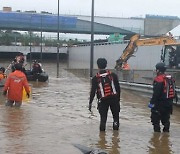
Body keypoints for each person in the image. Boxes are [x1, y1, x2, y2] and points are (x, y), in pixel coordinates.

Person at [89, 58, 121, 131]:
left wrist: (90, 103)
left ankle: (102, 139)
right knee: (116, 118)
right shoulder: (113, 75)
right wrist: (118, 100)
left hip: (103, 101)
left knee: (103, 120)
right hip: (114, 99)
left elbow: (93, 92)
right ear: (106, 65)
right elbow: (118, 89)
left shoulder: (95, 78)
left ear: (98, 66)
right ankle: (115, 139)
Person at [148, 62, 177, 132]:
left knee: (155, 120)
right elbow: (174, 91)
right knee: (166, 120)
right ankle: (166, 136)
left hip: (159, 104)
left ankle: (156, 138)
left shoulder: (158, 80)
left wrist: (151, 103)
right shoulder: (170, 78)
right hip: (169, 104)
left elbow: (156, 94)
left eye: (156, 69)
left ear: (158, 70)